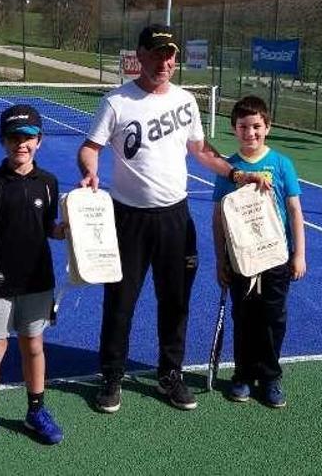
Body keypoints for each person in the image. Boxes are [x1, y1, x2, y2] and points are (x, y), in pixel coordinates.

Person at [77, 24, 264, 413]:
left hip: (175, 220)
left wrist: (234, 173)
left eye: (170, 55)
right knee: (120, 303)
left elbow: (200, 149)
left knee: (175, 302)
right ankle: (111, 376)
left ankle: (170, 374)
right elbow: (90, 147)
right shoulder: (116, 102)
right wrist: (91, 171)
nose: (164, 62)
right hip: (127, 220)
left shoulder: (186, 102)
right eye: (157, 53)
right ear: (140, 56)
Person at [0, 104, 66, 460]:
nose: (20, 143)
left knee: (34, 346)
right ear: (3, 141)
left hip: (38, 282)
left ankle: (35, 409)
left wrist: (68, 229)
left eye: (27, 137)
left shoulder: (50, 183)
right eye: (13, 137)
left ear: (39, 141)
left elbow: (50, 229)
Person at [211, 95, 306, 408]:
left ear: (268, 127)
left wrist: (299, 254)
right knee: (244, 317)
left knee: (272, 318)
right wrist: (220, 259)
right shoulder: (229, 169)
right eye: (243, 127)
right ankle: (242, 375)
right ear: (234, 129)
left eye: (256, 126)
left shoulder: (281, 164)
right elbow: (218, 218)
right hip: (242, 260)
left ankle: (270, 376)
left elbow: (294, 211)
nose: (250, 132)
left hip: (276, 258)